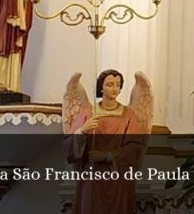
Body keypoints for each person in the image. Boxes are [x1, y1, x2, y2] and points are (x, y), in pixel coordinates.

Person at [64, 70, 152, 214]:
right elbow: (69, 144)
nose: (115, 89)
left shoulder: (128, 115)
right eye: (110, 84)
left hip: (117, 177)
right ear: (101, 87)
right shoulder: (88, 113)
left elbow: (135, 147)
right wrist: (83, 130)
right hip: (92, 176)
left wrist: (107, 156)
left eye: (118, 85)